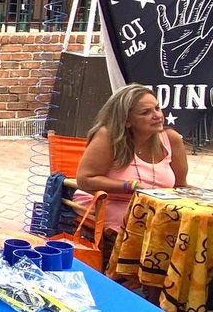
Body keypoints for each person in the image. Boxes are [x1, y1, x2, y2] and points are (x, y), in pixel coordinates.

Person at [74, 83, 189, 234]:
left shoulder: (171, 139)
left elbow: (180, 187)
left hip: (156, 210)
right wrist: (131, 186)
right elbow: (84, 179)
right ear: (127, 120)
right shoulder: (108, 137)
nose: (157, 116)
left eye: (157, 108)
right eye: (145, 112)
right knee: (152, 228)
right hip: (109, 205)